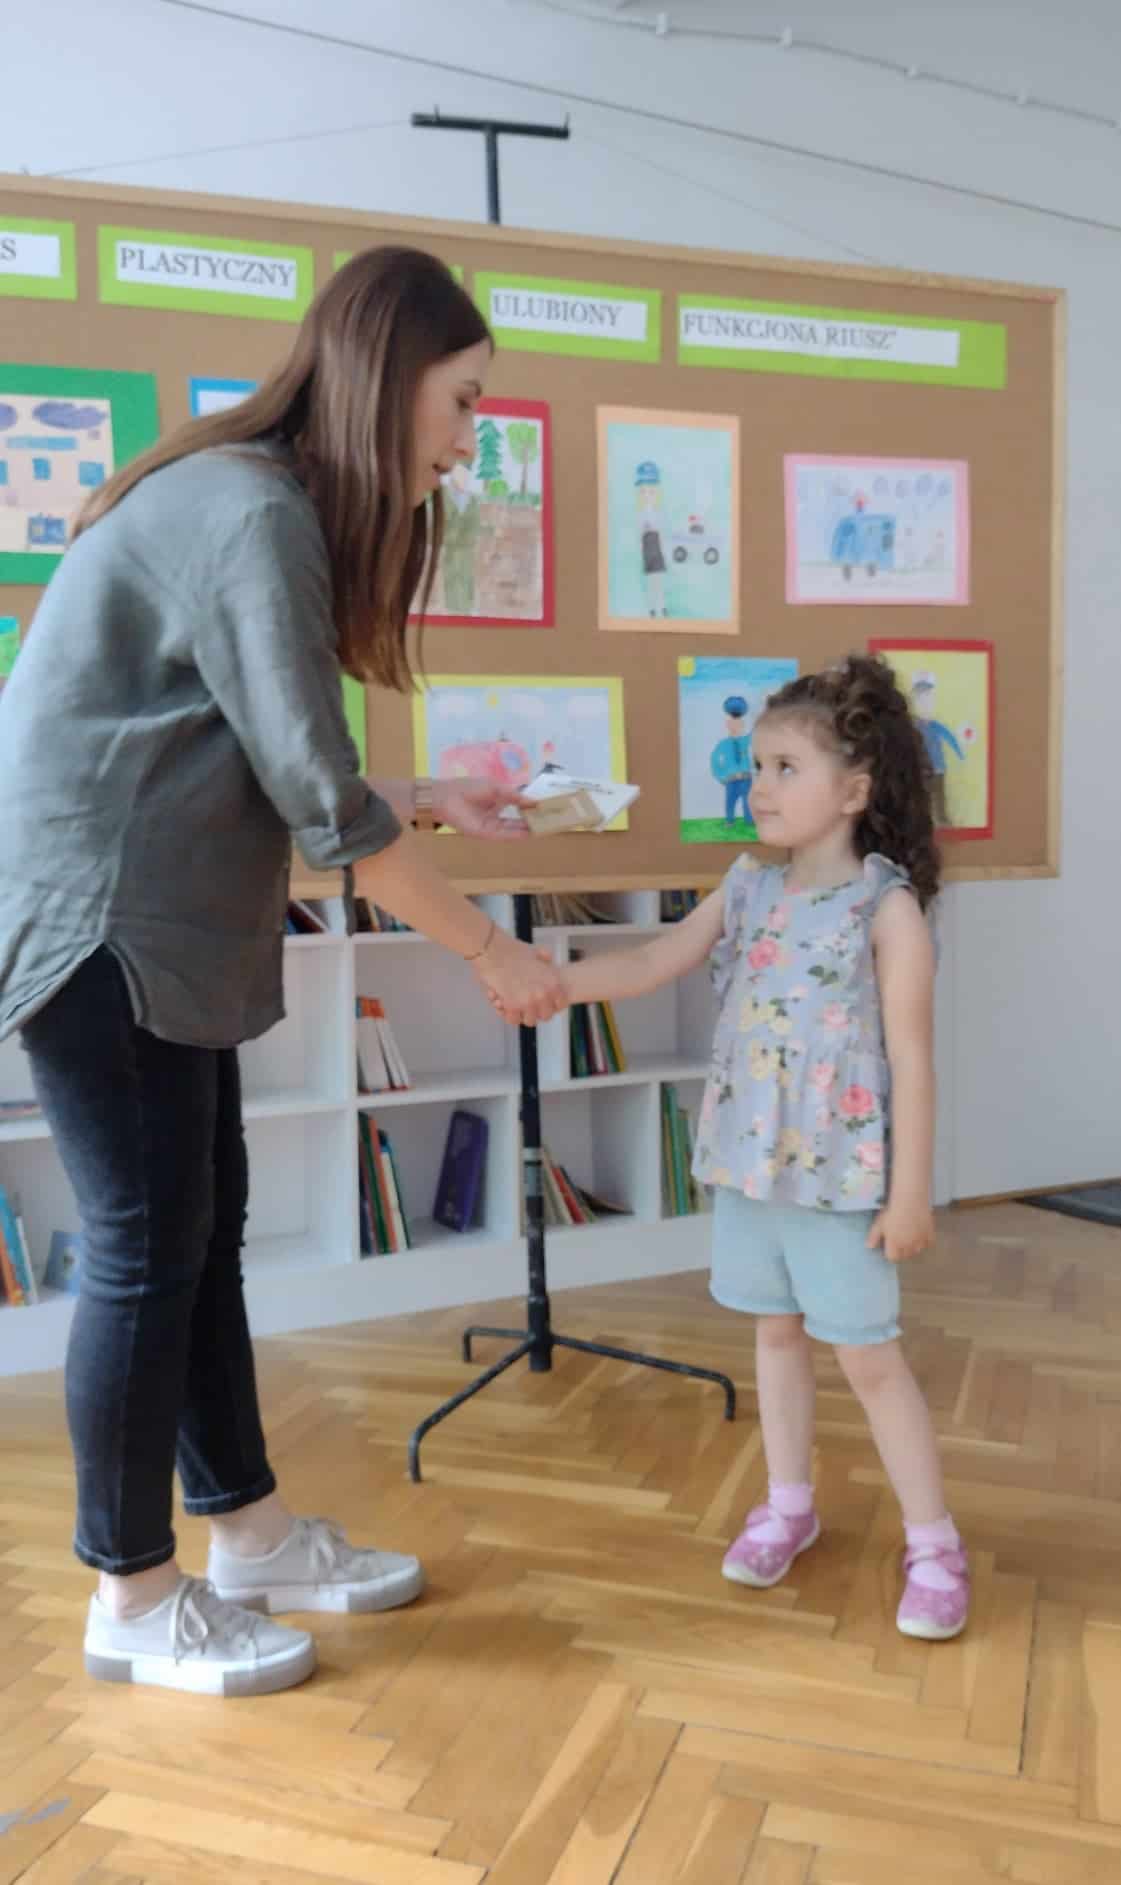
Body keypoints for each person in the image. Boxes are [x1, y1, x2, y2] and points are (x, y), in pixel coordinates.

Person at [0, 246, 567, 1697]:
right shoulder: (252, 510)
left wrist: (422, 792)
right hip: (103, 930)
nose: (469, 440)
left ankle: (244, 1532)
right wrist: (491, 951)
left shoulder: (253, 500)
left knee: (195, 1238)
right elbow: (321, 808)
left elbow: (264, 754)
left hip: (158, 927)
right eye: (463, 400)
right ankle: (132, 1595)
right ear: (391, 380)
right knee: (145, 1249)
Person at [545, 655, 969, 1642]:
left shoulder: (885, 908)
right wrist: (552, 981)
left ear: (852, 791)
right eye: (753, 768)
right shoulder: (745, 886)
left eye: (782, 767)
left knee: (866, 1357)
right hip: (749, 1161)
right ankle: (787, 1505)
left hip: (839, 1178)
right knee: (773, 1336)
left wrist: (909, 1194)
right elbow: (655, 958)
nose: (757, 787)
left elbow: (912, 1060)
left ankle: (934, 1544)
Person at [910, 672, 964, 827]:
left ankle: (942, 819)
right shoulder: (914, 726)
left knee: (939, 797)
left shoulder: (936, 726)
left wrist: (960, 753)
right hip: (921, 770)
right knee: (922, 797)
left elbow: (950, 737)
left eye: (928, 699)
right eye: (921, 700)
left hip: (939, 769)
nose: (925, 704)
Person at [710, 692, 753, 826]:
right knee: (730, 801)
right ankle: (729, 821)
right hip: (731, 780)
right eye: (732, 724)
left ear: (743, 725)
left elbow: (758, 732)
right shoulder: (723, 744)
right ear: (727, 725)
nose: (736, 727)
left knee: (748, 801)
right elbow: (714, 761)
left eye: (739, 724)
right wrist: (721, 777)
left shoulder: (747, 740)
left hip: (746, 778)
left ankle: (749, 821)